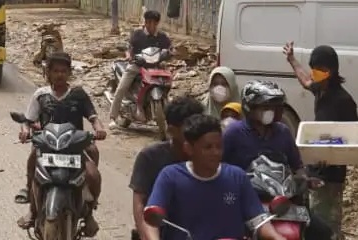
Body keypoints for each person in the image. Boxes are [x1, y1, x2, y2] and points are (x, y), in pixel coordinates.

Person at [143, 114, 288, 240]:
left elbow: (258, 220)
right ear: (189, 148)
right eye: (208, 147)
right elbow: (151, 219)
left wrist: (276, 236)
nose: (215, 152)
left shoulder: (236, 176)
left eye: (219, 146)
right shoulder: (170, 176)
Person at [223, 80, 333, 240]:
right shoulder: (234, 133)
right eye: (266, 107)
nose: (272, 111)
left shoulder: (282, 132)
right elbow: (219, 166)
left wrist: (304, 179)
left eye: (275, 107)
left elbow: (297, 165)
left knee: (324, 234)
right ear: (250, 107)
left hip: (282, 201)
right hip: (248, 201)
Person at [16, 52, 107, 236]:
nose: (60, 74)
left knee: (93, 175)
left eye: (63, 71)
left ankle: (89, 211)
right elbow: (27, 119)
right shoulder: (40, 95)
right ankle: (32, 208)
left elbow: (93, 116)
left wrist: (99, 128)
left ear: (69, 73)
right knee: (33, 158)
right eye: (55, 71)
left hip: (73, 147)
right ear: (48, 72)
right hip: (47, 146)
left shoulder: (78, 94)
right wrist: (25, 131)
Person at [284, 42, 358, 236]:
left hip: (331, 176)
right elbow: (305, 81)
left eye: (321, 70)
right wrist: (291, 60)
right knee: (313, 221)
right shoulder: (320, 89)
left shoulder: (344, 101)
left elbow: (352, 137)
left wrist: (334, 155)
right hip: (314, 171)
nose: (316, 73)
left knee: (329, 226)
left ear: (332, 71)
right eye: (314, 69)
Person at [128, 96, 205, 240]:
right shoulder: (150, 157)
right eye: (190, 128)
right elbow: (139, 202)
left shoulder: (208, 156)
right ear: (172, 130)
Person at [109, 10, 173, 128]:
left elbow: (169, 49)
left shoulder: (162, 37)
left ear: (157, 23)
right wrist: (129, 56)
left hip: (155, 67)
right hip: (137, 66)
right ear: (145, 22)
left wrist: (169, 54)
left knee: (167, 86)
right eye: (148, 22)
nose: (150, 25)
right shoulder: (137, 34)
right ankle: (113, 117)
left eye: (153, 23)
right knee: (122, 88)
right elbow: (129, 48)